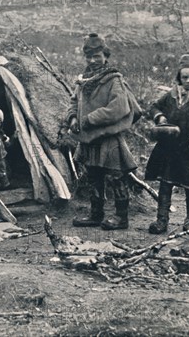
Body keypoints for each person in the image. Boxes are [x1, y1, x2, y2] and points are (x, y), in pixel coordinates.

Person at [67, 33, 138, 230]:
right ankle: (96, 214)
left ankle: (121, 217)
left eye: (97, 56)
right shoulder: (84, 80)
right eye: (89, 56)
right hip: (89, 139)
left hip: (108, 138)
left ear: (105, 56)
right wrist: (73, 117)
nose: (92, 60)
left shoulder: (113, 79)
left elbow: (120, 107)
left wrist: (90, 119)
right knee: (93, 176)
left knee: (115, 177)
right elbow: (74, 101)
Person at [145, 53, 189, 235]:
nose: (188, 81)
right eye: (184, 77)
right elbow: (154, 107)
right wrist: (159, 117)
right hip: (168, 149)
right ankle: (161, 221)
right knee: (165, 184)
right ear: (179, 77)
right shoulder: (171, 96)